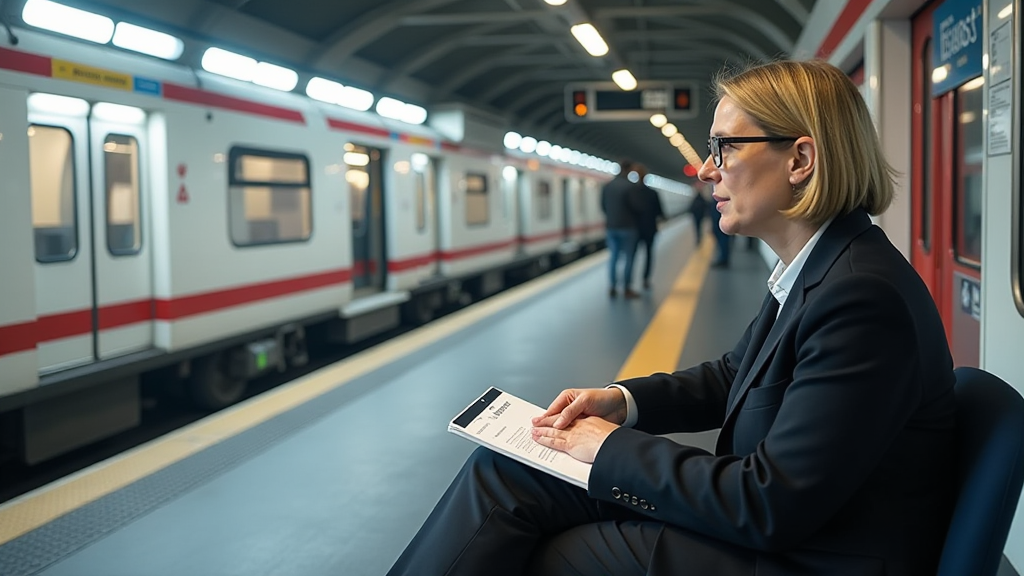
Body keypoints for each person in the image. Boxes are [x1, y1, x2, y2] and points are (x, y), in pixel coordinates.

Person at [386, 60, 956, 576]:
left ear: (800, 159)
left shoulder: (859, 296)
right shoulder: (822, 268)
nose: (708, 170)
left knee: (555, 553)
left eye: (725, 147)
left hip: (810, 557)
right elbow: (737, 374)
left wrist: (605, 447)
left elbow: (769, 504)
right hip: (790, 532)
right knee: (509, 472)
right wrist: (623, 402)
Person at [599, 160, 641, 298]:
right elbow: (636, 207)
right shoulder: (630, 186)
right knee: (629, 258)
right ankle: (627, 288)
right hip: (628, 227)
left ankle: (612, 286)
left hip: (611, 227)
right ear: (629, 170)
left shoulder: (607, 186)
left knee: (614, 257)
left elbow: (603, 206)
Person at [631, 164, 665, 290]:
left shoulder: (631, 192)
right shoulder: (652, 193)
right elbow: (660, 212)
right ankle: (645, 279)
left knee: (632, 255)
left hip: (634, 229)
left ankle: (629, 282)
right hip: (650, 228)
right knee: (649, 255)